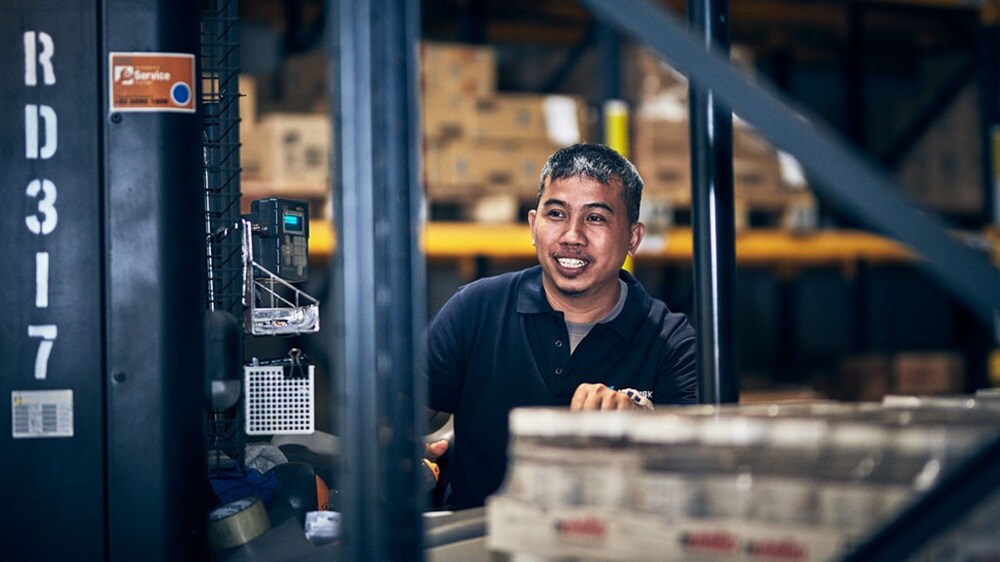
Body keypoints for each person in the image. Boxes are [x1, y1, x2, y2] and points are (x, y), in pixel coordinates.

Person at [425, 142, 698, 510]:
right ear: (533, 225)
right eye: (556, 214)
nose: (572, 236)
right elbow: (398, 414)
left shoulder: (670, 343)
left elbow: (694, 475)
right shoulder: (475, 309)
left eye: (595, 218)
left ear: (633, 238)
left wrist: (639, 426)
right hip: (479, 536)